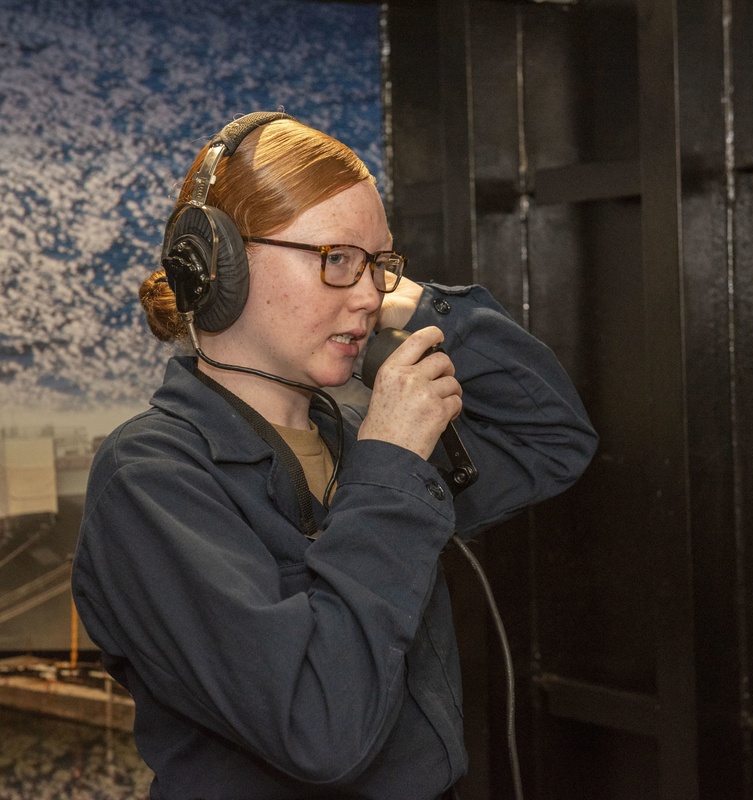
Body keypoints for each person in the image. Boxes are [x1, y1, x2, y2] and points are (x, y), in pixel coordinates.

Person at [70, 111, 597, 800]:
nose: (370, 292)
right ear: (220, 266)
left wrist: (423, 306)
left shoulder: (359, 424)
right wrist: (392, 469)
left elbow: (553, 436)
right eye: (337, 259)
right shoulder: (151, 481)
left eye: (379, 263)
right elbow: (320, 729)